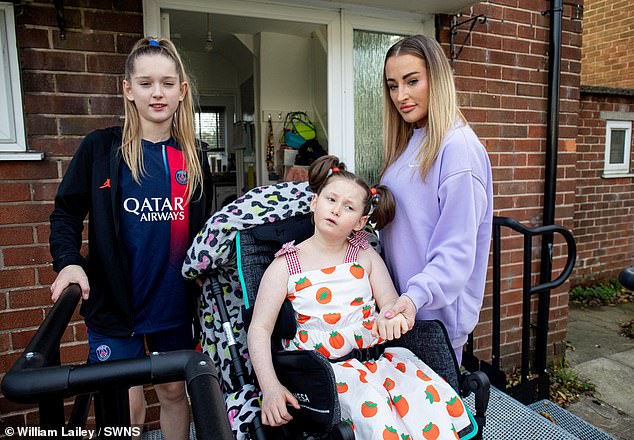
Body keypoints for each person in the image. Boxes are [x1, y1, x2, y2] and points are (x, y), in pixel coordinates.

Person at [49, 37, 213, 440]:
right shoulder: (100, 149)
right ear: (128, 89)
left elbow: (204, 232)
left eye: (167, 83)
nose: (157, 92)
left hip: (172, 305)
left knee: (175, 393)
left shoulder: (194, 156)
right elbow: (66, 212)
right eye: (145, 83)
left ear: (182, 91)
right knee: (125, 410)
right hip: (114, 305)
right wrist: (68, 261)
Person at [247, 155, 473, 439]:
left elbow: (390, 303)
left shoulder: (365, 255)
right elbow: (260, 329)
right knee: (375, 415)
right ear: (315, 202)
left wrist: (392, 319)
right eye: (331, 200)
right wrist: (270, 387)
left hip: (376, 361)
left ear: (360, 222)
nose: (337, 210)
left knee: (425, 400)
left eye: (349, 207)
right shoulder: (285, 265)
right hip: (325, 374)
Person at [380, 34, 493, 366]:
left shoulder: (458, 148)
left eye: (412, 81)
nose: (401, 95)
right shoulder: (410, 141)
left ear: (437, 79)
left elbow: (456, 251)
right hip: (399, 313)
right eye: (392, 85)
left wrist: (414, 298)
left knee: (431, 418)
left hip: (432, 321)